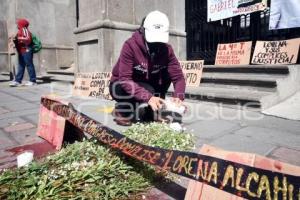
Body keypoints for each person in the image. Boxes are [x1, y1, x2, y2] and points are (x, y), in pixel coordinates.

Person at [109, 10, 186, 126]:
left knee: (165, 75)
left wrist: (178, 96)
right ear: (142, 31)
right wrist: (149, 97)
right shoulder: (130, 46)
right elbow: (125, 79)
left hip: (147, 83)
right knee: (147, 90)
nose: (156, 44)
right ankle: (121, 110)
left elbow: (178, 77)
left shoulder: (167, 50)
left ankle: (153, 111)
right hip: (120, 85)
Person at [9, 18, 37, 87]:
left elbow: (27, 39)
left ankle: (33, 80)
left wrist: (17, 39)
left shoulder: (24, 29)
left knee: (29, 64)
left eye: (18, 24)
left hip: (26, 50)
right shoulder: (20, 31)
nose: (17, 25)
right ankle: (18, 81)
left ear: (21, 24)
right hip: (22, 51)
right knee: (21, 65)